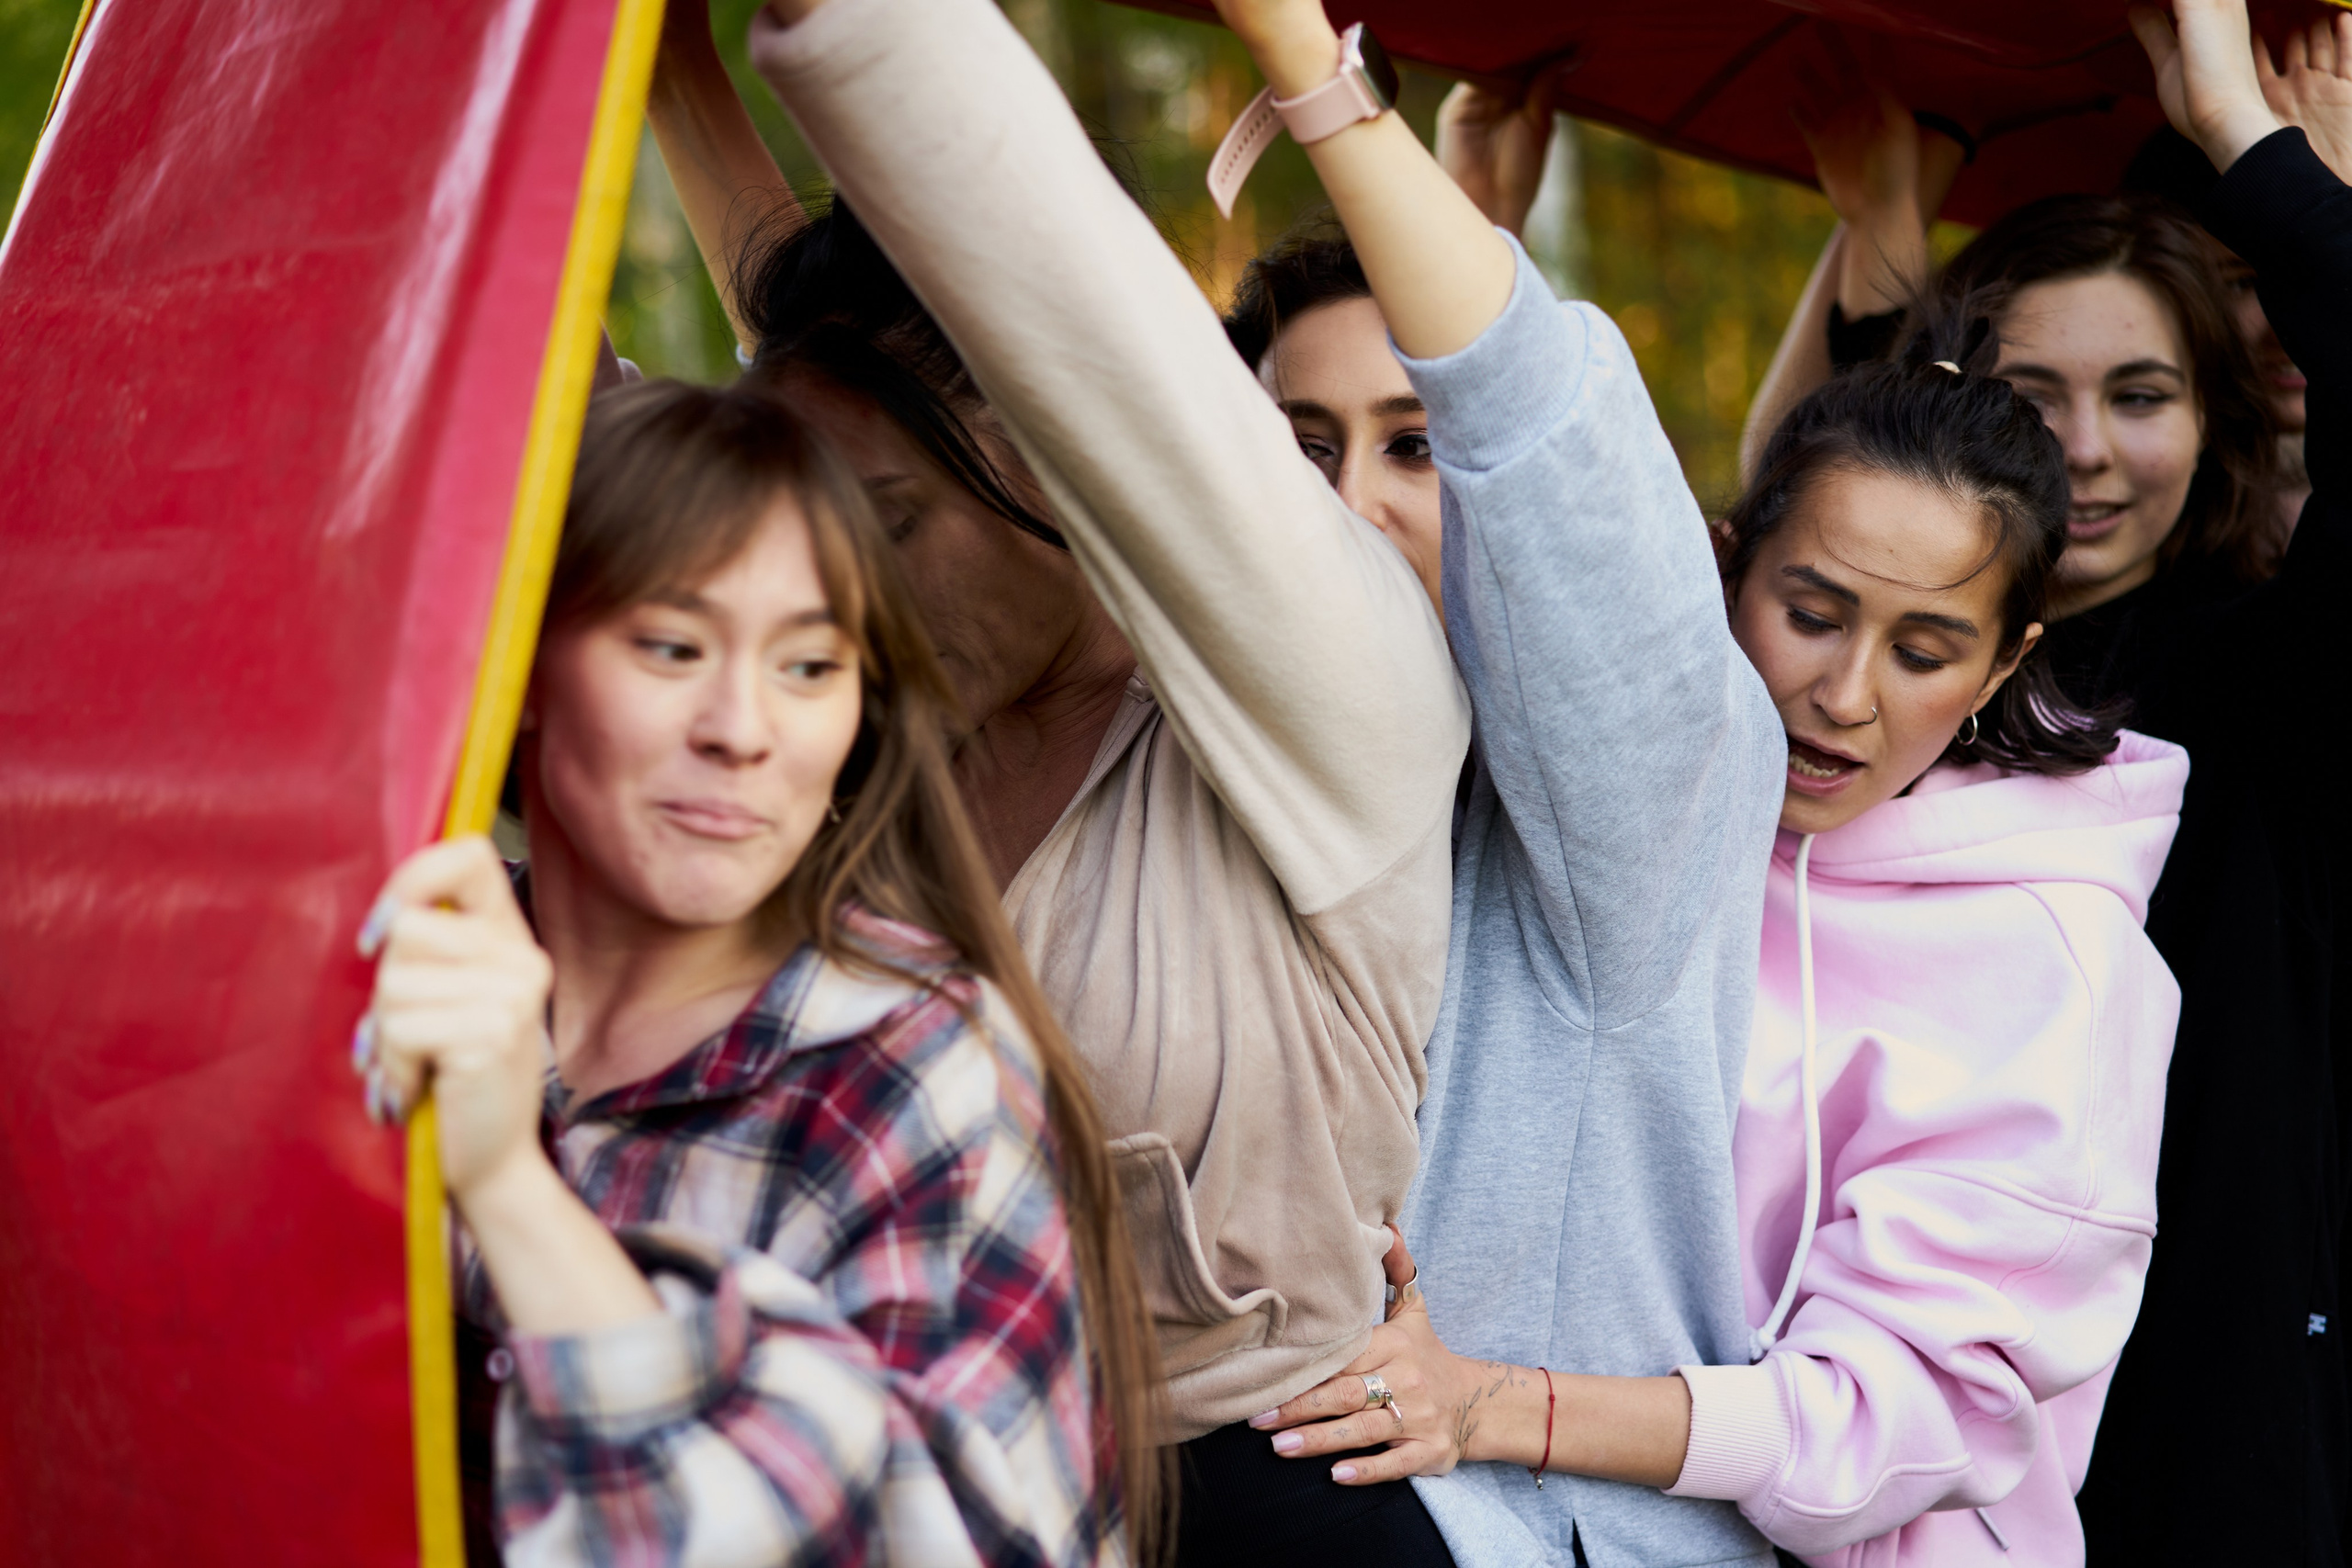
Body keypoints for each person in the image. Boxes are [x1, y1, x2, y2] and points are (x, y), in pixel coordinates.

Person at [647, 1, 1474, 1560]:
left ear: (1056, 454)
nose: (816, 598)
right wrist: (657, 57)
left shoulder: (1333, 712)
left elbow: (1056, 284)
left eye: (884, 526)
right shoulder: (837, 740)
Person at [354, 380, 1159, 1564]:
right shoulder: (406, 979)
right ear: (519, 668)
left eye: (809, 666)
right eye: (673, 648)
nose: (742, 728)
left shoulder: (914, 1068)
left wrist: (511, 1193)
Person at [1213, 8, 1787, 1564]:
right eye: (1302, 447)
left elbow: (1541, 446)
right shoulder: (1217, 775)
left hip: (1534, 1535)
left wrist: (1314, 82)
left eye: (1414, 448)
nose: (1348, 504)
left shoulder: (1648, 790)